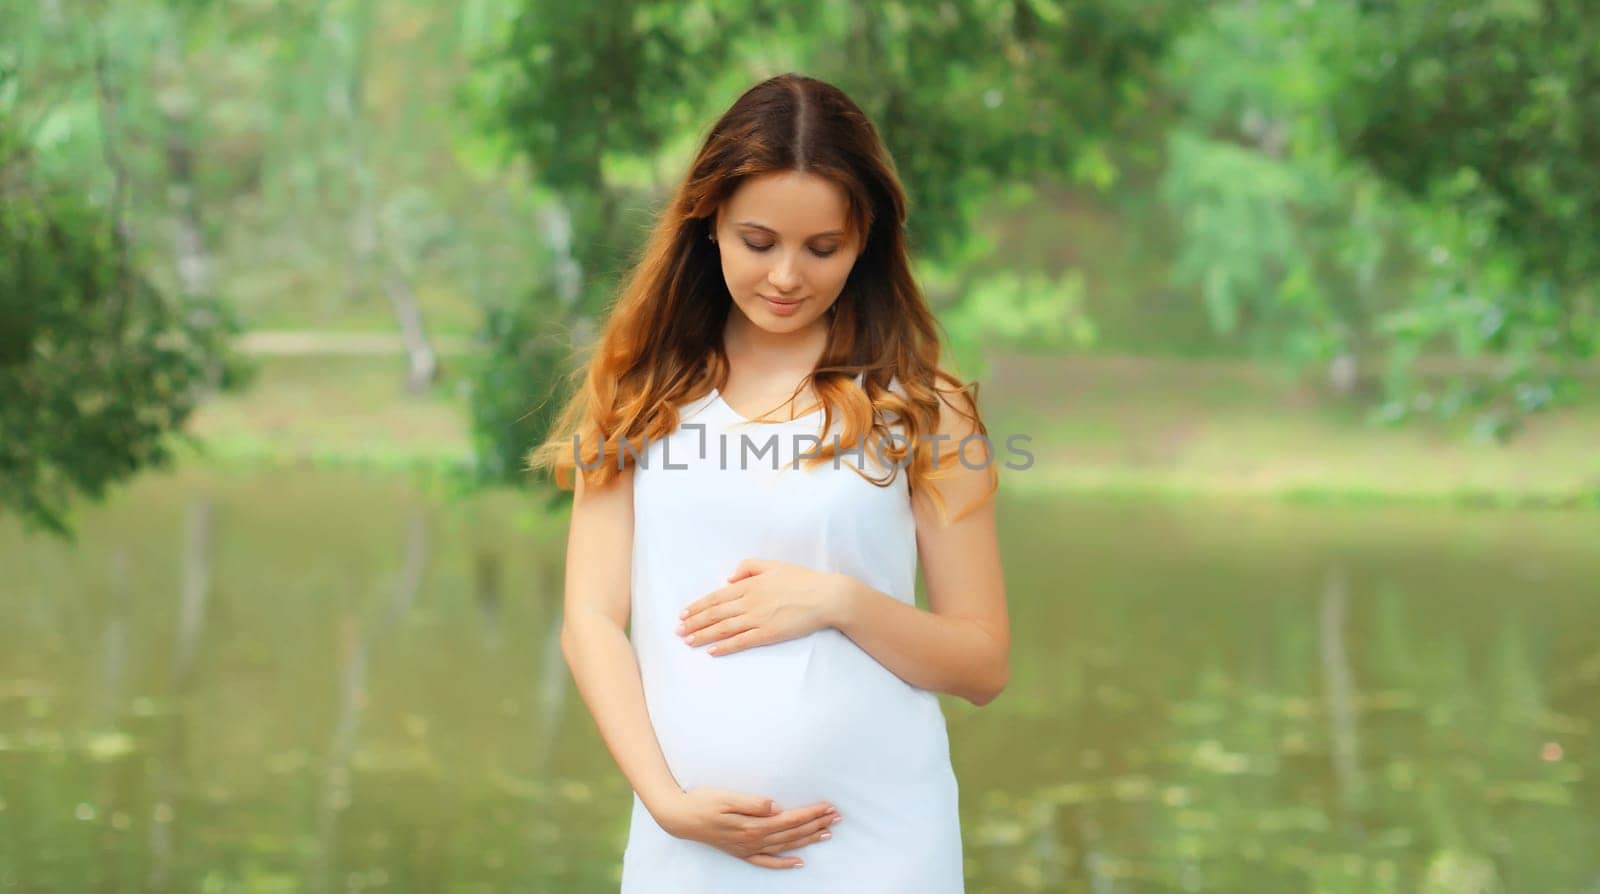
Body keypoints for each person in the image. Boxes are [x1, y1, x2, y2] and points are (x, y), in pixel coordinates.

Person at [530, 73, 1010, 892]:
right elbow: (591, 621)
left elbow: (983, 662)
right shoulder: (642, 390)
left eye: (822, 248)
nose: (787, 276)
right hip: (689, 843)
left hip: (880, 843)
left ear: (865, 243)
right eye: (759, 242)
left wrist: (838, 602)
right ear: (708, 222)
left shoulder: (921, 408)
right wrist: (667, 803)